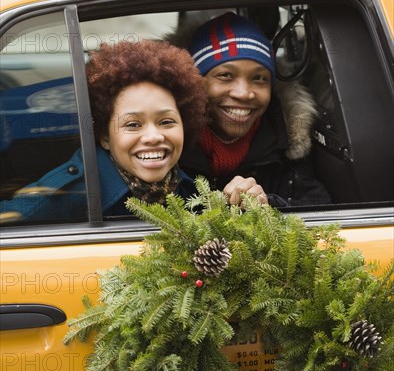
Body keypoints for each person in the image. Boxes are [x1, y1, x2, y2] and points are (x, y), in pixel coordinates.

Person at [0, 40, 207, 221]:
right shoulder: (73, 194)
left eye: (166, 121)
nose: (153, 136)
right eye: (133, 124)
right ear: (105, 136)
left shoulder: (194, 190)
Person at [179, 11, 331, 208]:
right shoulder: (164, 143)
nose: (244, 93)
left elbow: (321, 220)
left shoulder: (284, 143)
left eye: (259, 78)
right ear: (195, 84)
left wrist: (267, 205)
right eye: (225, 75)